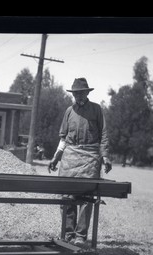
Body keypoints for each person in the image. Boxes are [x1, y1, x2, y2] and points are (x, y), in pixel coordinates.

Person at [48, 77, 112, 246]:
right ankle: (68, 234)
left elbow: (104, 135)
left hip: (90, 157)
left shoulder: (97, 110)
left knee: (86, 197)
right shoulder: (69, 111)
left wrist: (104, 157)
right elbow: (63, 138)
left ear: (87, 93)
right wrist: (56, 157)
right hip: (70, 157)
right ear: (73, 94)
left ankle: (80, 236)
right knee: (66, 196)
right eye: (76, 93)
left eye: (82, 93)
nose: (79, 96)